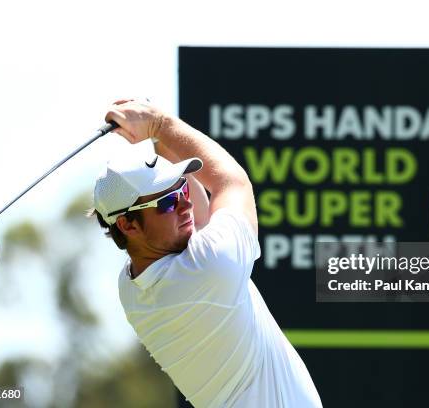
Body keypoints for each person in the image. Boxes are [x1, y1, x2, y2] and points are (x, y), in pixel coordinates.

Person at [91, 99, 323, 407]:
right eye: (168, 203)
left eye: (182, 190)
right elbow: (232, 182)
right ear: (128, 225)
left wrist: (158, 141)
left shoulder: (132, 285)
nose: (185, 204)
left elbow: (197, 219)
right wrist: (160, 124)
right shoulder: (209, 267)